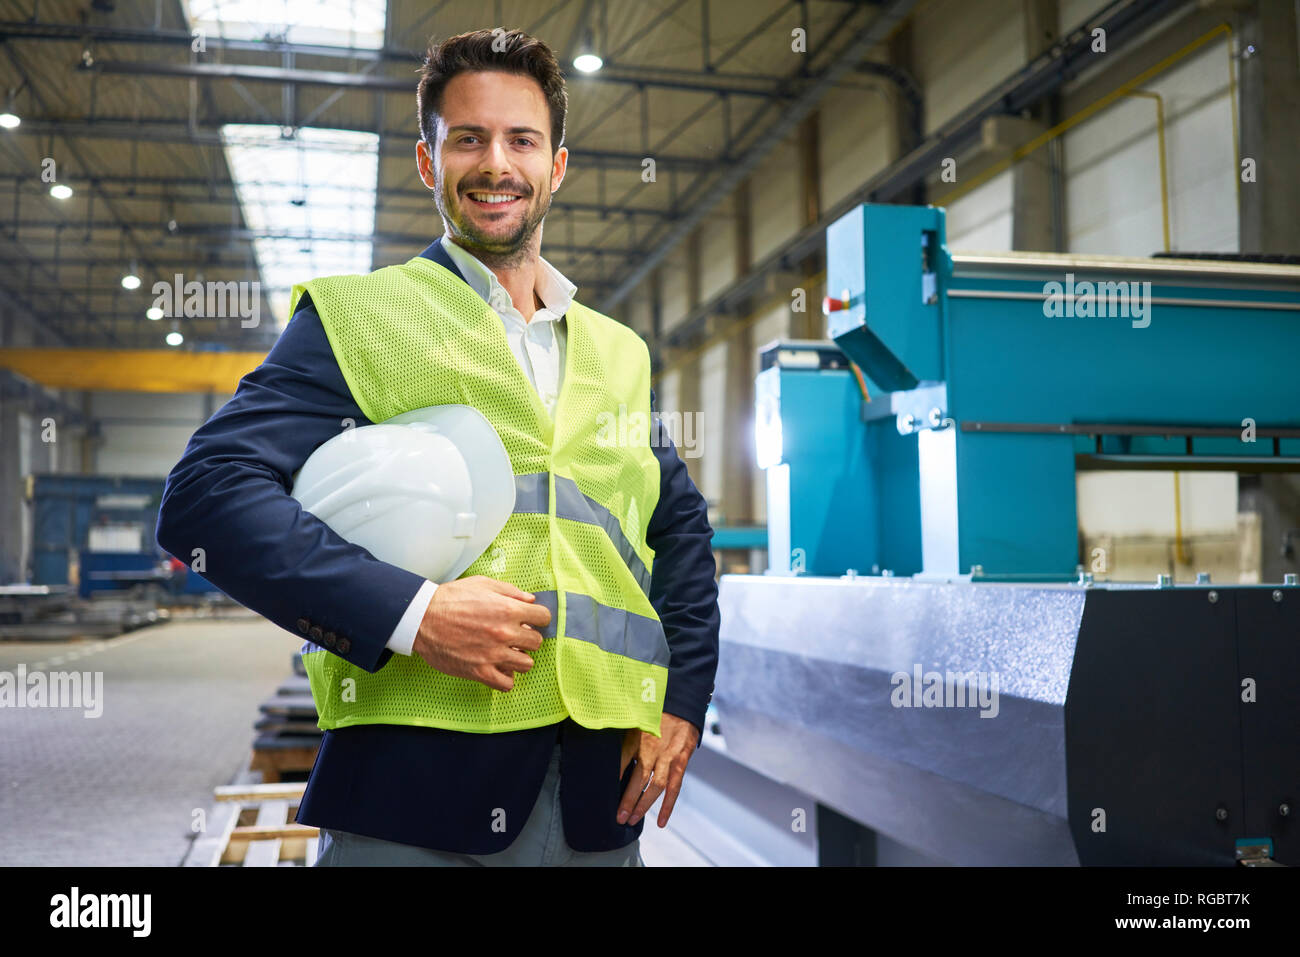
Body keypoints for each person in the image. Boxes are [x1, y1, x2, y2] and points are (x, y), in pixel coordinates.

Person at [155, 27, 720, 866]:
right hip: (413, 798)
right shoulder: (362, 316)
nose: (497, 163)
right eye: (468, 139)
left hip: (600, 808)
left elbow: (680, 534)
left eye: (522, 139)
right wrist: (413, 615)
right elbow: (206, 495)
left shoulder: (617, 352)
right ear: (429, 163)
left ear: (556, 166)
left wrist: (682, 699)